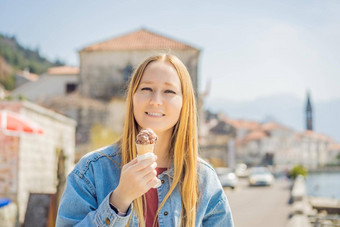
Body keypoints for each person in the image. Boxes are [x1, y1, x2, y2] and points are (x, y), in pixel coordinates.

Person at [56, 54, 234, 227]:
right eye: (146, 89)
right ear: (133, 97)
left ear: (184, 103)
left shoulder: (203, 178)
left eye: (169, 91)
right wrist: (118, 201)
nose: (155, 101)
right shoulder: (91, 171)